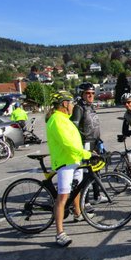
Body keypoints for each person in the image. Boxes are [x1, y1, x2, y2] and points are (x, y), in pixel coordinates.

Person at [46, 91, 92, 247]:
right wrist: (86, 154)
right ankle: (59, 233)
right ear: (65, 104)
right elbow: (67, 144)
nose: (73, 106)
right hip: (65, 162)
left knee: (77, 189)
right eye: (71, 103)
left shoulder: (65, 119)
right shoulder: (56, 120)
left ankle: (78, 213)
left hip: (74, 160)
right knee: (62, 198)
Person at [70, 82, 107, 205]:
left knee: (96, 171)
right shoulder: (78, 108)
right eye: (88, 93)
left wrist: (99, 141)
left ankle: (97, 196)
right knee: (87, 173)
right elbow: (74, 129)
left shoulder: (90, 107)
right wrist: (80, 146)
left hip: (95, 142)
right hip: (85, 144)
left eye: (92, 93)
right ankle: (85, 202)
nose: (91, 96)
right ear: (81, 94)